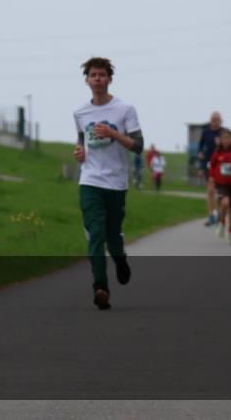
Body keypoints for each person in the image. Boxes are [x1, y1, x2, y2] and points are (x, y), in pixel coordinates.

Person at [72, 57, 144, 310]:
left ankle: (120, 259)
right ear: (87, 80)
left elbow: (138, 146)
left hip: (116, 182)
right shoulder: (80, 112)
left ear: (109, 79)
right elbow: (81, 142)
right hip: (90, 180)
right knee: (96, 233)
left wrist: (113, 133)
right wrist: (79, 152)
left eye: (102, 75)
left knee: (113, 235)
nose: (98, 79)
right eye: (93, 75)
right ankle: (100, 287)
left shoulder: (124, 109)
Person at [197, 112, 225, 227]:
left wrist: (221, 144)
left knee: (220, 193)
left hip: (222, 165)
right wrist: (200, 153)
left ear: (220, 121)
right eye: (212, 119)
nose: (214, 121)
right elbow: (200, 145)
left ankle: (219, 213)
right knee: (210, 191)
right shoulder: (206, 132)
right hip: (209, 164)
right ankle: (211, 216)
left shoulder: (224, 132)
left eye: (216, 119)